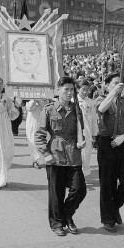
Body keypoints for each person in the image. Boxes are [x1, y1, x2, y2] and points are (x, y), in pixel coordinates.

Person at [34, 76, 86, 236]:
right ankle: (57, 223)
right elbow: (39, 135)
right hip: (55, 155)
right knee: (56, 193)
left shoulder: (77, 110)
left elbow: (80, 131)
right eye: (66, 89)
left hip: (74, 155)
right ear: (58, 90)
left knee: (79, 189)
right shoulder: (49, 110)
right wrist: (46, 154)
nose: (70, 93)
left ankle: (67, 215)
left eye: (72, 90)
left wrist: (81, 141)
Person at [96, 73, 124, 232]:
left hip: (122, 143)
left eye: (121, 84)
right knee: (108, 183)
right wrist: (113, 93)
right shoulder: (101, 98)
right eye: (115, 83)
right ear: (107, 85)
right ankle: (108, 219)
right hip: (107, 143)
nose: (119, 86)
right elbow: (101, 108)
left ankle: (114, 208)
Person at [77, 79, 98, 176]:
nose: (85, 92)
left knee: (86, 155)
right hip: (76, 134)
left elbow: (94, 120)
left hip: (88, 133)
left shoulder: (91, 102)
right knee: (77, 156)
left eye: (87, 89)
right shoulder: (73, 101)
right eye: (83, 89)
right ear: (78, 89)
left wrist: (94, 134)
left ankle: (83, 177)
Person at [26, 99, 45, 169]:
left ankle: (40, 160)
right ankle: (35, 160)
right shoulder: (29, 102)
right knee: (33, 142)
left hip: (39, 124)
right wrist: (34, 100)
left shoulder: (41, 101)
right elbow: (30, 108)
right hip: (31, 125)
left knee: (40, 142)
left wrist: (39, 102)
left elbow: (43, 108)